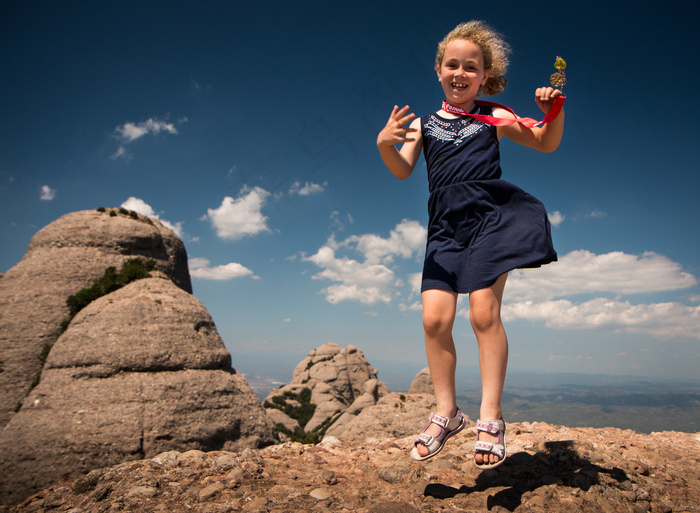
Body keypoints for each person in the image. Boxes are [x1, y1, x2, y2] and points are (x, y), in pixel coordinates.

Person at [376, 20, 565, 469]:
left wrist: (554, 112)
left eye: (471, 67)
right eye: (452, 64)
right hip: (444, 226)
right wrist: (385, 144)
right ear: (439, 70)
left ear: (485, 76)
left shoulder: (495, 116)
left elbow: (545, 143)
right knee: (435, 318)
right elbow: (402, 170)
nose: (460, 72)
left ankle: (491, 415)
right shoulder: (424, 125)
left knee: (484, 314)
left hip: (489, 219)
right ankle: (447, 411)